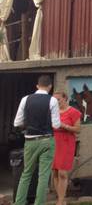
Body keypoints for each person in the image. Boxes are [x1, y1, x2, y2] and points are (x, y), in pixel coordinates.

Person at [13, 75, 61, 205]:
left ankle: (19, 203)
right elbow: (56, 125)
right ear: (50, 87)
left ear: (37, 86)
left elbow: (17, 123)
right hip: (47, 140)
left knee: (26, 173)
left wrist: (29, 124)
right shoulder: (52, 101)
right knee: (43, 175)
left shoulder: (25, 99)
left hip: (30, 141)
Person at [52, 91, 82, 205]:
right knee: (55, 172)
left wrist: (64, 125)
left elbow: (78, 129)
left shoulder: (73, 112)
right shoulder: (52, 112)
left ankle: (61, 201)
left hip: (66, 142)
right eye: (54, 100)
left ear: (65, 99)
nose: (56, 102)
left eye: (58, 99)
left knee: (62, 173)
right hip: (54, 142)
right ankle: (60, 199)